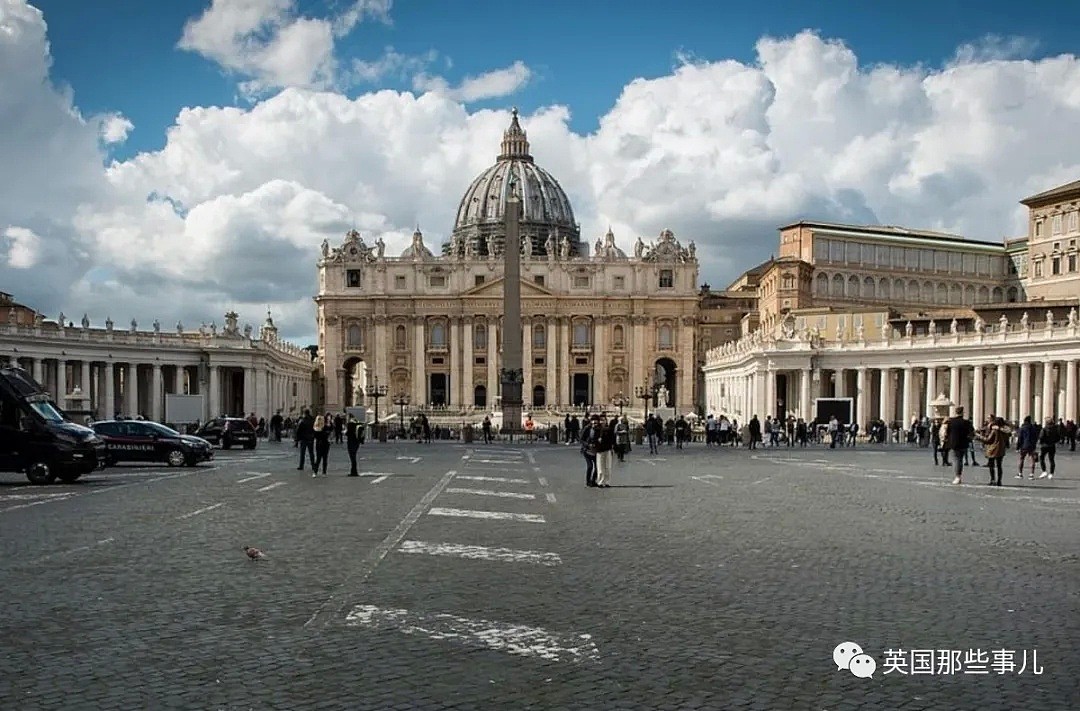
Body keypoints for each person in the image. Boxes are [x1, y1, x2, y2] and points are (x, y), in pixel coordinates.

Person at [945, 407, 973, 485]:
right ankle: (958, 475)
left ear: (955, 412)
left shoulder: (951, 422)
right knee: (960, 460)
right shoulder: (967, 422)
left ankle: (958, 476)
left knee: (956, 460)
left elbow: (947, 432)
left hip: (954, 443)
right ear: (962, 413)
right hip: (964, 443)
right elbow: (971, 432)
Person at [978, 417, 1009, 486]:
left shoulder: (994, 431)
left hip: (993, 449)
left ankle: (992, 479)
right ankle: (999, 481)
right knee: (999, 466)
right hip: (1001, 450)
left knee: (991, 466)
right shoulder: (1004, 431)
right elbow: (1007, 439)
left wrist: (979, 437)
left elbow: (988, 440)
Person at [595, 417, 615, 488]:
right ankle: (600, 481)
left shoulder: (609, 429)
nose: (602, 422)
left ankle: (607, 482)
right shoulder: (597, 429)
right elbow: (594, 439)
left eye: (604, 420)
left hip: (607, 449)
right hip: (600, 450)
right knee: (600, 467)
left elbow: (612, 439)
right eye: (601, 420)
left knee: (608, 467)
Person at [312, 412, 333, 476]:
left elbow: (331, 429)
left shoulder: (328, 426)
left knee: (324, 458)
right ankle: (317, 472)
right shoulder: (318, 428)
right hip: (321, 443)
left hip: (324, 443)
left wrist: (330, 424)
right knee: (319, 458)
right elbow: (316, 435)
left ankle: (322, 472)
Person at [581, 416, 599, 487]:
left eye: (596, 422)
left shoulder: (599, 429)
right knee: (590, 466)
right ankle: (588, 481)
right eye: (593, 422)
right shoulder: (587, 428)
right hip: (587, 450)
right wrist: (587, 444)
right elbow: (581, 439)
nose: (594, 423)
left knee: (597, 467)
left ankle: (593, 480)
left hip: (596, 451)